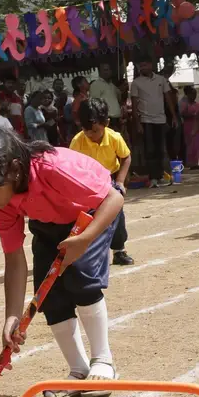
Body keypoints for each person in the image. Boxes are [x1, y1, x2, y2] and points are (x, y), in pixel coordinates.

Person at [0, 126, 124, 397]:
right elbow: (14, 259)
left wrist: (86, 238)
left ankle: (103, 363)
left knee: (80, 280)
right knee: (48, 295)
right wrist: (12, 316)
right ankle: (79, 371)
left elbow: (114, 197)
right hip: (48, 223)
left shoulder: (56, 169)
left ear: (15, 169)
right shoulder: (2, 203)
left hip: (93, 213)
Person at [71, 98, 134, 266]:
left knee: (116, 215)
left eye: (95, 131)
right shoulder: (77, 141)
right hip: (87, 182)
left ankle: (119, 250)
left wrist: (120, 182)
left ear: (106, 122)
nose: (91, 135)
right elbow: (71, 166)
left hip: (110, 180)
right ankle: (89, 252)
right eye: (87, 131)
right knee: (88, 217)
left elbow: (126, 157)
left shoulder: (114, 138)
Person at [129, 60, 176, 187]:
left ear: (151, 65)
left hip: (160, 119)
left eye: (145, 64)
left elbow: (168, 98)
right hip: (146, 120)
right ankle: (153, 178)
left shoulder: (161, 80)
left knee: (161, 149)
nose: (143, 67)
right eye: (141, 65)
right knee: (149, 150)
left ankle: (161, 176)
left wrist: (174, 116)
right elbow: (134, 104)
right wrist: (137, 123)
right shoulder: (136, 83)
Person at [179, 85, 199, 169]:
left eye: (195, 94)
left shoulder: (198, 105)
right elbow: (181, 114)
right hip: (189, 126)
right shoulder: (183, 103)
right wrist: (193, 115)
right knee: (192, 144)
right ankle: (194, 163)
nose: (194, 96)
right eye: (193, 94)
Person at [89, 62, 123, 130]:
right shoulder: (96, 85)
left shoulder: (112, 85)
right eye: (104, 70)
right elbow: (94, 104)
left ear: (111, 71)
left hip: (116, 120)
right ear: (100, 72)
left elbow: (119, 98)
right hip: (105, 120)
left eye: (108, 70)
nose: (106, 72)